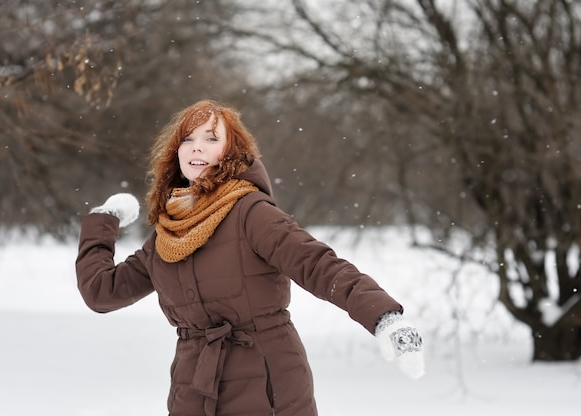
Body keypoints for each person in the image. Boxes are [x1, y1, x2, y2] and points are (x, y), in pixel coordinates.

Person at [76, 99, 424, 416]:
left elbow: (317, 264)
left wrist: (384, 317)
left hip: (269, 386)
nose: (197, 146)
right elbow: (102, 292)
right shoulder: (167, 234)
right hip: (192, 391)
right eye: (188, 138)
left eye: (211, 138)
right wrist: (103, 221)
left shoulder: (250, 212)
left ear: (230, 150)